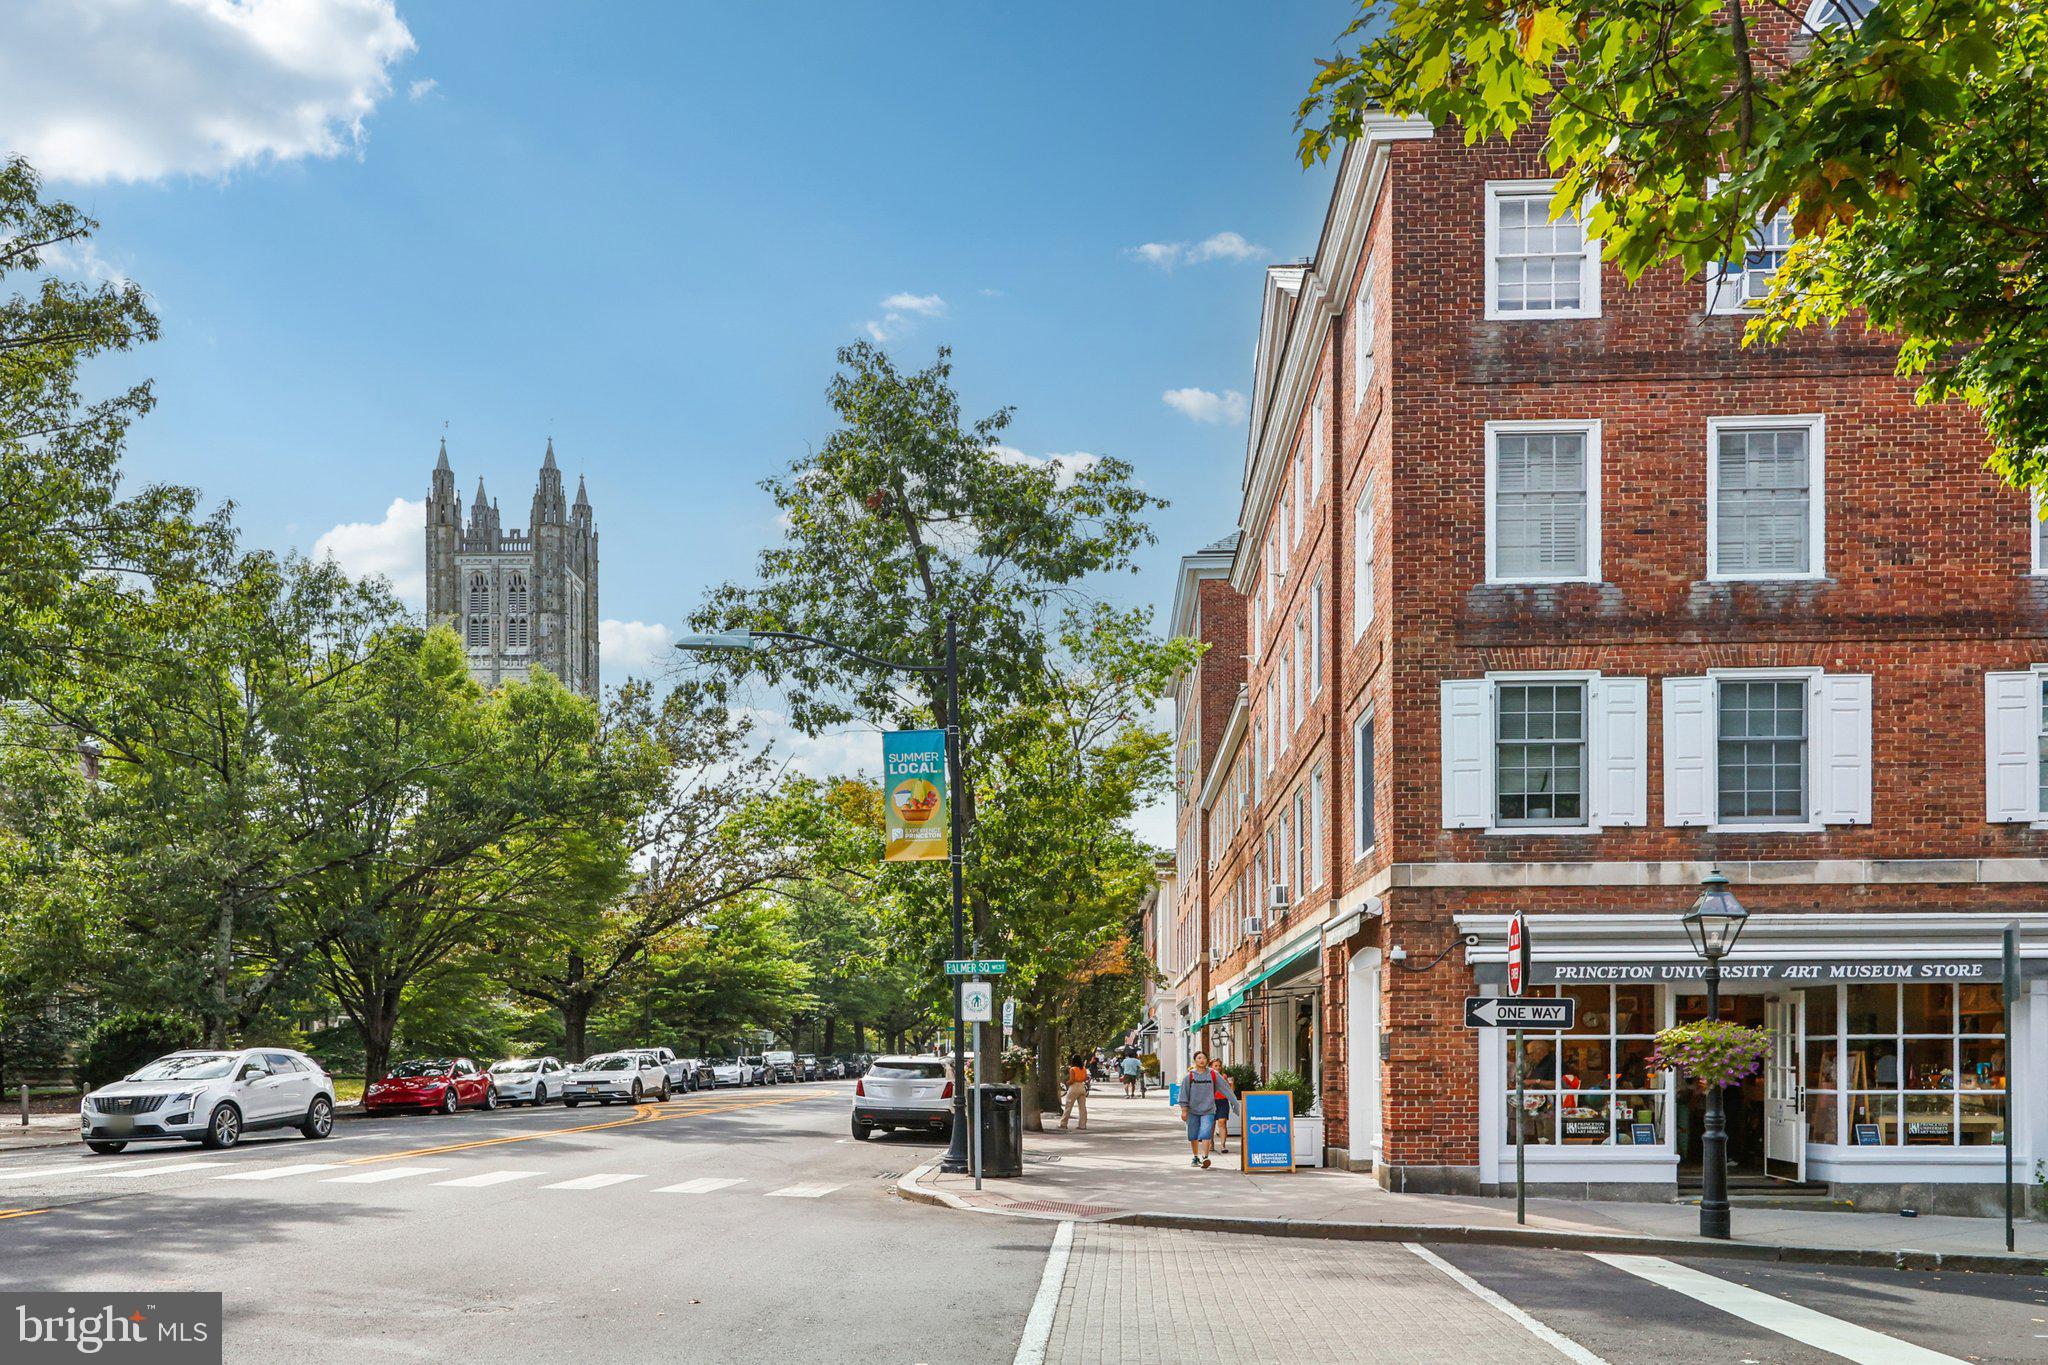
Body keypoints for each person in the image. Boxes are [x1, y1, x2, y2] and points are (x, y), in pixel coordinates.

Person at [1180, 1050, 1219, 1168]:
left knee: (1206, 1133)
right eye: (1199, 1058)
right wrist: (1184, 1110)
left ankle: (1205, 1158)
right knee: (1193, 1135)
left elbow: (1223, 1087)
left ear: (1207, 1060)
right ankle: (1196, 1156)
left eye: (1204, 1058)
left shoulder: (1213, 1074)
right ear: (1195, 1060)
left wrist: (1234, 1103)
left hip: (1209, 1109)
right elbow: (1183, 1094)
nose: (1202, 1060)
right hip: (1193, 1110)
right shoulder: (1189, 1076)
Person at [1211, 1063, 1237, 1155]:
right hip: (1211, 1102)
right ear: (1211, 1067)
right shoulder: (1208, 1076)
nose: (1218, 1067)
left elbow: (1231, 1090)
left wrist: (1232, 1083)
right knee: (1211, 1124)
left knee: (1222, 1122)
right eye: (1215, 1066)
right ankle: (1211, 1143)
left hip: (1223, 1101)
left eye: (1219, 1065)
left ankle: (1223, 1146)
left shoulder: (1224, 1076)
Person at [1059, 1053, 1089, 1130]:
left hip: (1074, 1087)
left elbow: (1071, 1080)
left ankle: (1063, 1124)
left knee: (1068, 1106)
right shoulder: (1084, 1069)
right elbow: (1085, 1078)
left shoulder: (1072, 1069)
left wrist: (1067, 1082)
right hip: (1081, 1087)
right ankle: (1082, 1125)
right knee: (1082, 1108)